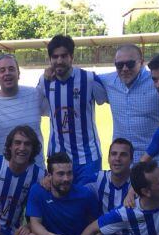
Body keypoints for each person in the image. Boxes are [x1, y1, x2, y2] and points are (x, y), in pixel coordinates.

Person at [38, 34, 107, 185]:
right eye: (55, 57)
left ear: (72, 57)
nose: (59, 61)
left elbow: (106, 97)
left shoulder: (88, 79)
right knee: (60, 204)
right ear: (50, 59)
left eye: (64, 56)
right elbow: (39, 108)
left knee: (88, 201)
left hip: (88, 158)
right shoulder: (45, 81)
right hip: (57, 159)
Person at [99, 44, 159, 163]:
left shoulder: (156, 80)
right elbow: (82, 78)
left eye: (130, 64)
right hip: (124, 163)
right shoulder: (107, 81)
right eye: (119, 65)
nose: (124, 69)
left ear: (141, 63)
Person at [82, 138, 134, 235]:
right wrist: (49, 180)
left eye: (123, 155)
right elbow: (71, 189)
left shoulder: (139, 182)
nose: (117, 158)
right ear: (108, 157)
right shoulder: (98, 179)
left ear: (131, 159)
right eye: (113, 154)